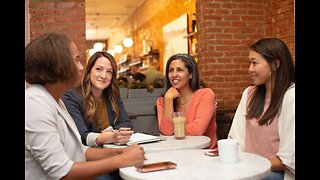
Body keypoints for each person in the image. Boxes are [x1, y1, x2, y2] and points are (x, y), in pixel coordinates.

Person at [25, 32, 145, 180]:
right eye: (76, 61)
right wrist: (122, 160)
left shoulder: (56, 101)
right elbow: (62, 172)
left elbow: (81, 150)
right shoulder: (34, 103)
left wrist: (120, 153)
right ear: (57, 65)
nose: (82, 68)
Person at [228, 38, 295, 180]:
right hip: (247, 168)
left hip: (276, 173)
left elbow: (288, 160)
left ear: (275, 64)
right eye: (249, 63)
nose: (250, 69)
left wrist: (250, 166)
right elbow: (235, 139)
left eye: (254, 63)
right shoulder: (249, 94)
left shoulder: (291, 96)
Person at [62, 52, 133, 148]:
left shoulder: (113, 95)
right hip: (86, 157)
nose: (104, 76)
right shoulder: (71, 97)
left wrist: (111, 133)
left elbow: (126, 124)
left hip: (112, 151)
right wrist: (111, 136)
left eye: (109, 72)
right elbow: (81, 136)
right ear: (89, 70)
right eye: (99, 69)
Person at [156, 53, 217, 149]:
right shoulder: (163, 101)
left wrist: (174, 131)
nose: (174, 75)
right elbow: (167, 132)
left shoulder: (205, 95)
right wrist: (168, 100)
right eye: (171, 70)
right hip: (177, 153)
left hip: (205, 154)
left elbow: (198, 130)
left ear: (191, 75)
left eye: (180, 70)